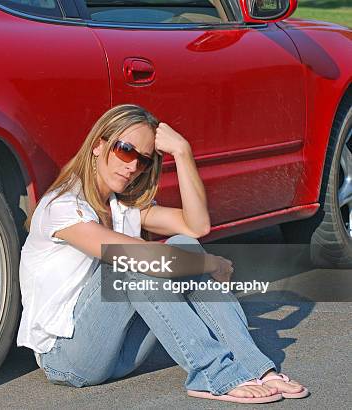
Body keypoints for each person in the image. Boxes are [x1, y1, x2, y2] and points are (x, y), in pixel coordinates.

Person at [16, 104, 309, 404]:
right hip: (68, 358)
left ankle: (252, 367)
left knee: (181, 244)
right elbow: (137, 258)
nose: (132, 167)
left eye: (142, 161)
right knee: (133, 261)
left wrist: (182, 152)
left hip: (121, 350)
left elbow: (196, 226)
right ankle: (213, 374)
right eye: (125, 151)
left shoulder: (122, 206)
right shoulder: (62, 206)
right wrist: (211, 264)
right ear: (97, 145)